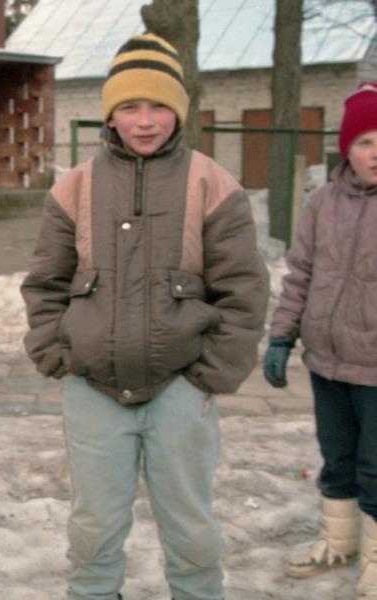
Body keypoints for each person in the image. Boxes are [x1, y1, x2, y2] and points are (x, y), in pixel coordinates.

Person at [21, 33, 269, 600]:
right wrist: (59, 355)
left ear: (178, 110)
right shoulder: (73, 188)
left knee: (191, 530)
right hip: (92, 390)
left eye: (158, 105)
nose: (145, 120)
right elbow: (45, 283)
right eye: (130, 106)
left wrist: (210, 374)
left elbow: (243, 290)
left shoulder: (212, 184)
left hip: (181, 388)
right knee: (93, 529)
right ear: (110, 113)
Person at [265, 81, 377, 597]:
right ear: (346, 147)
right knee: (337, 457)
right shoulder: (322, 203)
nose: (375, 153)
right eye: (365, 142)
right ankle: (340, 541)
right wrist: (281, 337)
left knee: (375, 466)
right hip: (328, 361)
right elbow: (301, 274)